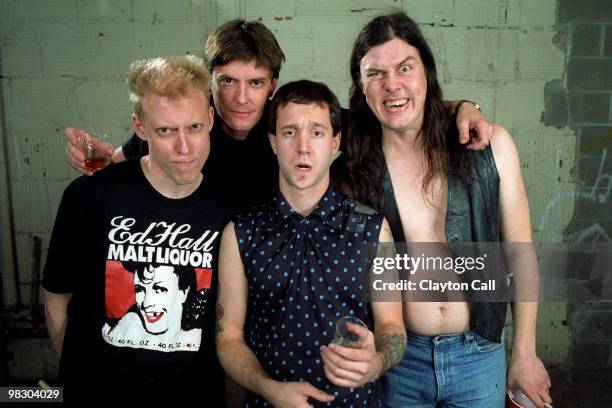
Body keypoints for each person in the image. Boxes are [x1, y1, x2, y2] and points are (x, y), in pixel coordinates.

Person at [345, 12, 552, 408]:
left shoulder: (490, 146)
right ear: (360, 85)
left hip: (479, 354)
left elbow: (520, 253)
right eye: (375, 73)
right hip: (398, 362)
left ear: (426, 71)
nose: (392, 85)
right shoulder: (353, 167)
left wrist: (524, 351)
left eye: (405, 68)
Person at [64, 19, 494, 210]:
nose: (240, 98)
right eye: (227, 81)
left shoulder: (288, 124)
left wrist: (460, 106)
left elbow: (388, 112)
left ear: (273, 84)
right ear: (209, 82)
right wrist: (98, 162)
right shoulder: (188, 127)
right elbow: (126, 155)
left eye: (255, 83)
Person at [43, 55, 233, 406]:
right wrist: (81, 379)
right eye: (165, 131)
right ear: (140, 127)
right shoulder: (90, 196)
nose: (184, 147)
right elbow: (56, 299)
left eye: (193, 127)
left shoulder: (229, 208)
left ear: (209, 119)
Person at [215, 80, 406, 407]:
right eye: (290, 132)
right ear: (273, 142)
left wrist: (376, 363)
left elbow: (393, 325)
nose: (303, 147)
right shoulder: (241, 231)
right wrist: (270, 389)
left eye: (316, 133)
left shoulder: (374, 228)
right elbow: (228, 337)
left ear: (335, 142)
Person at [102, 262, 201, 350]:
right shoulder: (121, 328)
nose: (146, 303)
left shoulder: (194, 333)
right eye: (139, 289)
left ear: (184, 292)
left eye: (160, 290)